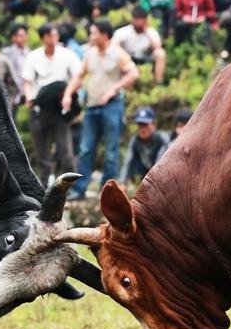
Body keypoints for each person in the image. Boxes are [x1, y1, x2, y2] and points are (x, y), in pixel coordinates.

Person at [62, 21, 140, 200]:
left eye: (94, 33)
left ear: (104, 34)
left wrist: (115, 89)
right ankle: (80, 188)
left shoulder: (118, 54)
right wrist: (68, 93)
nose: (91, 37)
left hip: (112, 106)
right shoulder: (90, 54)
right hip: (92, 106)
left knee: (111, 149)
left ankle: (108, 191)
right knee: (86, 148)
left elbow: (133, 73)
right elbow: (80, 76)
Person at [22, 24, 82, 187]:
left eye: (55, 35)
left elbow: (78, 76)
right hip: (39, 106)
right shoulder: (33, 57)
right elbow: (27, 81)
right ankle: (44, 185)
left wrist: (68, 94)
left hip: (59, 106)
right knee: (41, 150)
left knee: (65, 150)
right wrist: (29, 97)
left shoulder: (67, 55)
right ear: (43, 38)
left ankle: (72, 187)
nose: (53, 39)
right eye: (49, 36)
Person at [113, 6, 166, 83]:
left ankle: (158, 82)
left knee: (160, 53)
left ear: (145, 20)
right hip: (128, 57)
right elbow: (113, 44)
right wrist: (123, 54)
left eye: (140, 19)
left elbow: (158, 47)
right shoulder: (124, 31)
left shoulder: (151, 32)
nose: (138, 22)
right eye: (136, 19)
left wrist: (146, 32)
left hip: (145, 56)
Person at [118, 107, 168, 186]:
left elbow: (160, 164)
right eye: (140, 125)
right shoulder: (135, 141)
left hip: (162, 175)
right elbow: (127, 162)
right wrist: (122, 183)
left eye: (145, 125)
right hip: (144, 173)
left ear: (154, 124)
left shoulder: (163, 139)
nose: (142, 129)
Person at [1, 24, 30, 108]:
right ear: (13, 37)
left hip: (27, 89)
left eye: (24, 35)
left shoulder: (30, 53)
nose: (23, 38)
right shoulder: (6, 52)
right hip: (11, 90)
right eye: (20, 36)